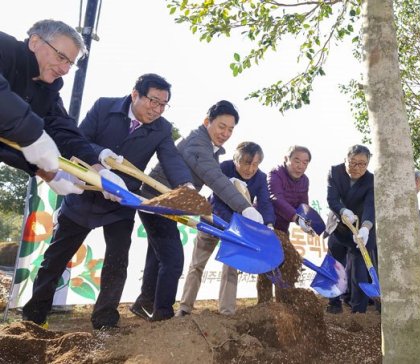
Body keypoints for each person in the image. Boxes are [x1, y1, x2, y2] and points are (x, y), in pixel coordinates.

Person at [22, 73, 193, 329]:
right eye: (153, 101)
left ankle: (105, 321)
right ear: (135, 94)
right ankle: (34, 317)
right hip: (83, 196)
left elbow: (172, 158)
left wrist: (186, 186)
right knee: (56, 258)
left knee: (117, 262)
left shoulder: (162, 129)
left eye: (163, 104)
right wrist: (99, 154)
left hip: (120, 203)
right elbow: (78, 137)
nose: (157, 109)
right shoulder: (104, 107)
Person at [136, 100, 261, 318]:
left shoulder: (209, 147)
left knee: (158, 256)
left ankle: (145, 302)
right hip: (156, 200)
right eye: (221, 126)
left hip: (167, 203)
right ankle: (163, 314)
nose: (226, 133)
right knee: (173, 260)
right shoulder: (197, 145)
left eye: (231, 129)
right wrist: (245, 207)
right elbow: (215, 178)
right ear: (207, 122)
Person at [0, 19, 118, 196]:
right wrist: (33, 134)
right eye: (61, 57)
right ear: (35, 42)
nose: (65, 69)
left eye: (70, 63)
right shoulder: (4, 47)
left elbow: (62, 129)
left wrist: (97, 168)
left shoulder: (48, 90)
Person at [169, 142, 273, 316]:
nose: (251, 169)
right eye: (247, 163)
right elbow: (217, 201)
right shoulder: (224, 168)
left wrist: (268, 224)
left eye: (255, 164)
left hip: (236, 230)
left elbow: (264, 202)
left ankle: (227, 311)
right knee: (197, 265)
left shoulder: (260, 178)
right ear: (236, 160)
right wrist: (228, 222)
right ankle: (185, 307)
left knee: (231, 268)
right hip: (213, 222)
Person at [257, 145, 314, 304]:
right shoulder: (275, 174)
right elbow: (276, 199)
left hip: (282, 228)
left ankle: (285, 304)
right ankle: (264, 305)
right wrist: (297, 218)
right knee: (267, 264)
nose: (300, 166)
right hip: (266, 225)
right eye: (296, 161)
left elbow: (303, 205)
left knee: (287, 263)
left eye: (305, 162)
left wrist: (307, 221)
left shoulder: (304, 181)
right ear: (286, 159)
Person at [325, 145, 376, 314]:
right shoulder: (334, 172)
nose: (357, 168)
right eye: (353, 163)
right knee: (335, 265)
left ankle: (358, 310)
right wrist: (342, 211)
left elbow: (370, 206)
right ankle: (334, 302)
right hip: (339, 226)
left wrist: (366, 228)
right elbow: (332, 199)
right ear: (345, 159)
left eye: (363, 164)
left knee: (359, 270)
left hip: (359, 230)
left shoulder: (371, 180)